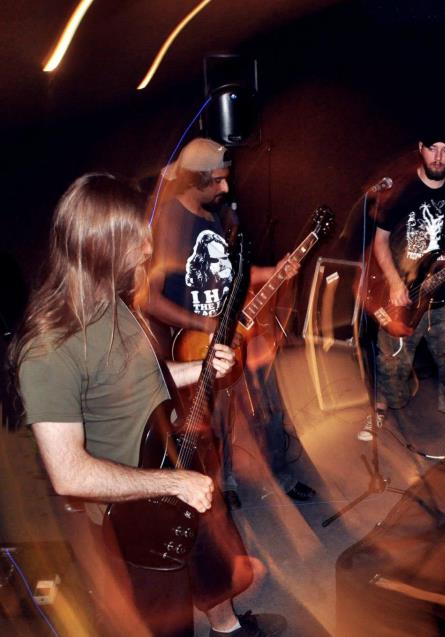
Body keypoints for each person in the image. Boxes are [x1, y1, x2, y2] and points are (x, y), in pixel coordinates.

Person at [10, 173, 284, 637]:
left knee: (211, 568)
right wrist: (173, 482)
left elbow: (142, 381)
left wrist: (200, 369)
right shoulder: (48, 350)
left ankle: (229, 628)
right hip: (135, 514)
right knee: (167, 620)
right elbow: (68, 474)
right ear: (99, 246)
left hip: (176, 466)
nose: (147, 248)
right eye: (135, 239)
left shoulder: (111, 301)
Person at [145, 137, 315, 508]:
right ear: (196, 180)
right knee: (218, 421)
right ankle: (226, 484)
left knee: (268, 406)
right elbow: (149, 299)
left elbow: (233, 275)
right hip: (198, 344)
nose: (226, 188)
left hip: (238, 332)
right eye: (218, 181)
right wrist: (205, 325)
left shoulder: (215, 218)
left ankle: (282, 475)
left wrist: (276, 270)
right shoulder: (168, 222)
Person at [360, 129, 445, 443]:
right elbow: (379, 242)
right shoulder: (399, 192)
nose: (438, 157)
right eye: (432, 148)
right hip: (403, 294)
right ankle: (379, 408)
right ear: (421, 148)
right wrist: (395, 283)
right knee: (391, 360)